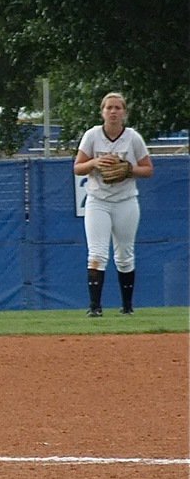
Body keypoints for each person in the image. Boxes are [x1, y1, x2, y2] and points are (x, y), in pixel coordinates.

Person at [73, 91, 153, 316]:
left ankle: (127, 307)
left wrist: (129, 169)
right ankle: (95, 308)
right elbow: (77, 167)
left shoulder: (132, 137)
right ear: (102, 112)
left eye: (118, 108)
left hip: (126, 201)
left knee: (125, 255)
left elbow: (148, 169)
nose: (113, 111)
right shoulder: (92, 135)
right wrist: (95, 162)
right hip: (98, 200)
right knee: (97, 253)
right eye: (109, 107)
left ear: (124, 112)